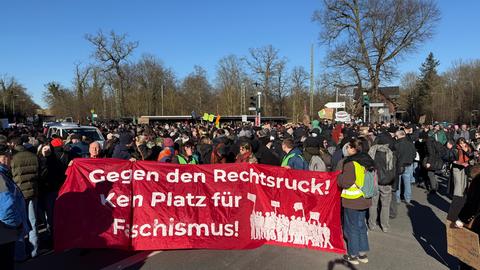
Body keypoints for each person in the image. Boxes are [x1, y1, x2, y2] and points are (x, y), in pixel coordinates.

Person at [337, 138, 374, 265]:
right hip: (364, 198)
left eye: (349, 147)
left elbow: (346, 183)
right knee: (361, 225)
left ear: (354, 149)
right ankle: (362, 253)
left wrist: (339, 177)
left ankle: (352, 254)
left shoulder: (350, 163)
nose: (347, 148)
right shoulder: (367, 161)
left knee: (351, 227)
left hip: (352, 200)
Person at [11, 137, 40, 260]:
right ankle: (34, 250)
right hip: (32, 191)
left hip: (18, 194)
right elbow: (38, 173)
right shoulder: (33, 156)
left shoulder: (12, 159)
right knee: (32, 221)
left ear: (13, 145)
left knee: (20, 223)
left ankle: (21, 254)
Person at [0, 145, 29, 270]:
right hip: (5, 232)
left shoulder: (3, 174)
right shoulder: (1, 177)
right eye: (8, 156)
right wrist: (16, 225)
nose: (11, 158)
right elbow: (7, 206)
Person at [368, 135, 396, 232]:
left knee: (373, 204)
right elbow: (393, 170)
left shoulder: (372, 152)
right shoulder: (390, 154)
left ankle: (372, 224)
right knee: (385, 205)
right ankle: (385, 226)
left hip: (374, 181)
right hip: (386, 182)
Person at [394, 130, 416, 206]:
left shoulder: (396, 144)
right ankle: (407, 199)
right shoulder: (410, 143)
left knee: (398, 183)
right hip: (408, 164)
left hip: (399, 165)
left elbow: (394, 156)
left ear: (398, 136)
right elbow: (414, 154)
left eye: (396, 136)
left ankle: (397, 199)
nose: (395, 138)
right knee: (407, 183)